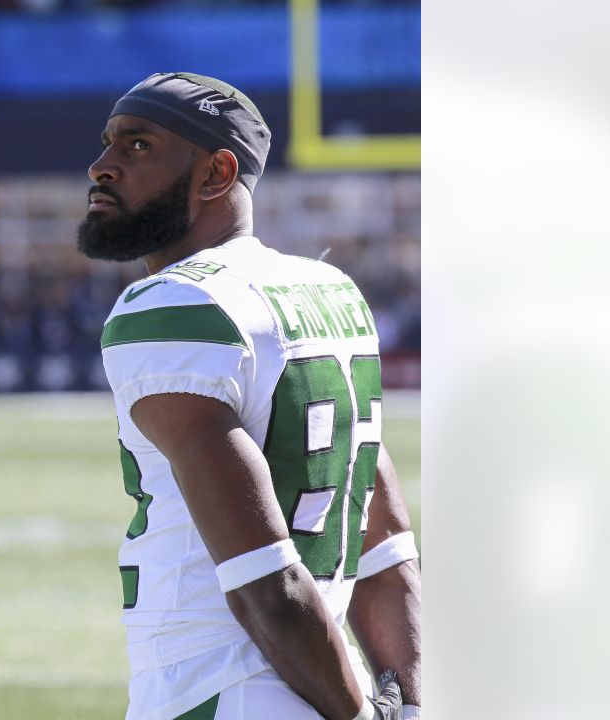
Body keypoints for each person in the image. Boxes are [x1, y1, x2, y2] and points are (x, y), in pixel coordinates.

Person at [76, 72, 421, 720]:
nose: (102, 166)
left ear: (216, 172)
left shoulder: (174, 303)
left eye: (138, 146)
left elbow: (268, 580)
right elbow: (389, 550)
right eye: (108, 144)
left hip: (214, 693)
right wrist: (409, 704)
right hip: (319, 685)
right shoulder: (330, 291)